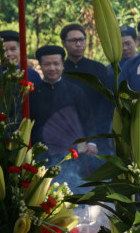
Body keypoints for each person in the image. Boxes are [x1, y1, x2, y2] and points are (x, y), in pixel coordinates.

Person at [28, 45, 96, 179]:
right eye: (47, 64)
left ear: (63, 65)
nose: (52, 68)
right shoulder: (32, 94)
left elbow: (87, 120)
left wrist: (91, 143)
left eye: (56, 64)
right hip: (42, 153)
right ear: (40, 66)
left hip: (73, 152)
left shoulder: (75, 91)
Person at [60, 24, 111, 141]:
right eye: (73, 40)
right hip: (67, 132)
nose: (78, 44)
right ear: (63, 43)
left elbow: (106, 102)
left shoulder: (98, 69)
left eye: (81, 40)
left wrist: (98, 132)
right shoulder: (60, 70)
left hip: (96, 131)